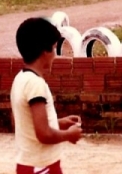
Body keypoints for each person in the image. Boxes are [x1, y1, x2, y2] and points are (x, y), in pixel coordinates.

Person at [11, 18, 83, 174]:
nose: (55, 55)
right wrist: (68, 135)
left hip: (30, 164)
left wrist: (58, 122)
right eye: (54, 48)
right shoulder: (36, 84)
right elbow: (43, 133)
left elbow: (23, 121)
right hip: (41, 166)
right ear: (45, 51)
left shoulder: (20, 79)